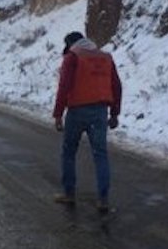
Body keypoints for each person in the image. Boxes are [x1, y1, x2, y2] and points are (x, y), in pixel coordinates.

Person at [52, 31, 122, 214]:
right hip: (99, 112)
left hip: (77, 111)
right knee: (100, 155)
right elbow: (116, 86)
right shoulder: (106, 57)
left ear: (71, 45)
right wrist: (114, 113)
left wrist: (58, 114)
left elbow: (64, 87)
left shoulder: (72, 57)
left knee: (68, 152)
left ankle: (69, 193)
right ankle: (103, 199)